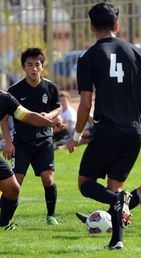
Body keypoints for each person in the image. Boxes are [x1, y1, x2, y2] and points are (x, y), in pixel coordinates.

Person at [65, 2, 141, 250]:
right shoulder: (136, 52)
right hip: (134, 131)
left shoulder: (88, 57)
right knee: (114, 186)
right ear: (117, 26)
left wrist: (76, 135)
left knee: (86, 183)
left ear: (91, 27)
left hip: (108, 130)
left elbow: (86, 103)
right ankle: (117, 239)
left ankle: (120, 201)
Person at [1, 48, 61, 226]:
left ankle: (51, 215)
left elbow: (56, 108)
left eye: (37, 65)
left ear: (43, 67)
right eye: (30, 65)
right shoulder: (13, 91)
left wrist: (49, 119)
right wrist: (8, 142)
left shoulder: (50, 87)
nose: (34, 69)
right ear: (23, 67)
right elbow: (5, 118)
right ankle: (5, 217)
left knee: (48, 179)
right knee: (14, 183)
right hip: (21, 143)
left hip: (44, 141)